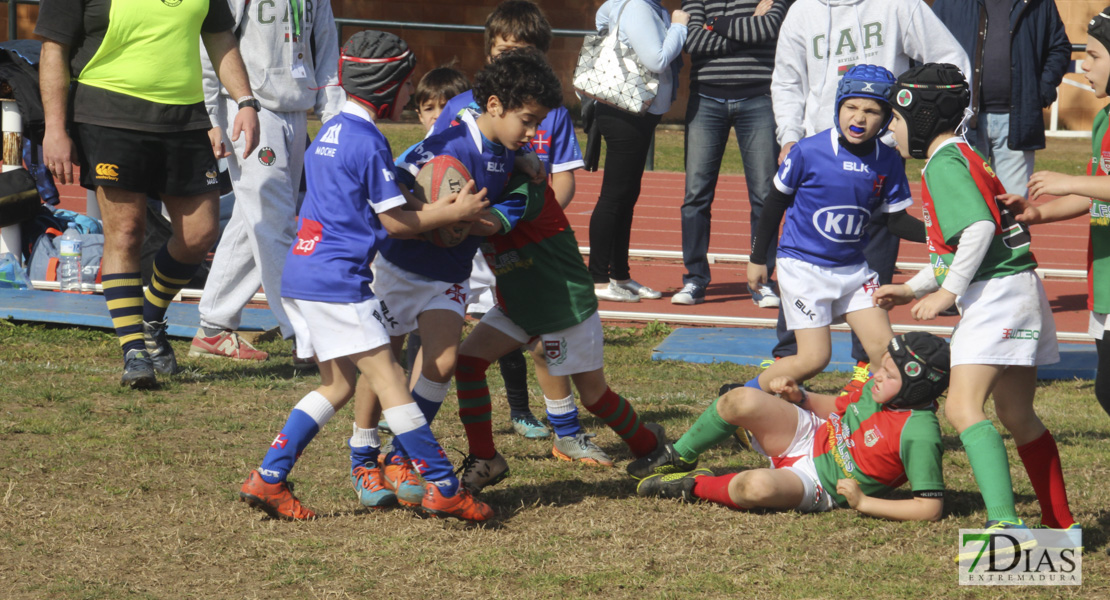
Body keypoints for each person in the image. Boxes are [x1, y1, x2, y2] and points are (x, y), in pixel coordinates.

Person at [238, 31, 493, 522]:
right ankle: (443, 485)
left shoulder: (330, 131)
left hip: (303, 272)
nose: (408, 94)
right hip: (338, 280)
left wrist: (424, 202)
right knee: (391, 379)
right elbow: (394, 222)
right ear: (389, 87)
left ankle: (269, 478)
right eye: (406, 84)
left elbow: (365, 200)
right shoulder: (368, 140)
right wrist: (451, 212)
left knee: (337, 386)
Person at [874, 63, 1077, 544]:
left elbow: (980, 232)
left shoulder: (944, 163)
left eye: (895, 122)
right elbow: (959, 244)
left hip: (997, 297)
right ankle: (1060, 525)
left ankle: (1005, 524)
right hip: (1019, 289)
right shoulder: (967, 153)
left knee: (963, 409)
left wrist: (946, 293)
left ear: (919, 118)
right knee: (1017, 413)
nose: (891, 132)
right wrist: (915, 287)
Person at [352, 48, 562, 507]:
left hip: (450, 273)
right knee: (382, 363)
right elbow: (399, 177)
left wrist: (521, 157)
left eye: (537, 123)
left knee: (443, 362)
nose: (532, 132)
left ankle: (400, 454)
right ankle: (363, 457)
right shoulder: (452, 141)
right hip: (400, 266)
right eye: (526, 121)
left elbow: (515, 178)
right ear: (493, 107)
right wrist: (441, 214)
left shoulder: (507, 147)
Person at [36, 0, 260, 389]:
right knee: (125, 232)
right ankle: (134, 351)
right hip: (107, 113)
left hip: (186, 118)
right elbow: (53, 48)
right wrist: (55, 128)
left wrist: (245, 100)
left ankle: (150, 317)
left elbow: (220, 36)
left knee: (199, 234)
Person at [770, 0, 970, 388]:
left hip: (879, 151)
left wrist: (923, 128)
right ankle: (787, 356)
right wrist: (790, 134)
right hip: (819, 150)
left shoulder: (900, 5)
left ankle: (868, 362)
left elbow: (951, 60)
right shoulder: (803, 10)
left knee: (873, 257)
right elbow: (787, 79)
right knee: (804, 251)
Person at [454, 175, 665, 492]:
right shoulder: (481, 178)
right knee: (468, 363)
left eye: (532, 123)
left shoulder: (524, 184)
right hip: (518, 304)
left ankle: (649, 446)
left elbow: (486, 225)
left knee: (594, 397)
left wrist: (430, 216)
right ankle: (486, 458)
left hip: (562, 305)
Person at [428, 1, 580, 439]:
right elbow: (434, 170)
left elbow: (563, 182)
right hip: (463, 232)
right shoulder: (460, 106)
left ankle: (529, 413)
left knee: (529, 326)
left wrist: (533, 216)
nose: (511, 58)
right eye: (502, 50)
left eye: (523, 51)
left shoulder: (553, 111)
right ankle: (410, 407)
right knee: (438, 321)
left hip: (519, 236)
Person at [630, 332, 948, 522]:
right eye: (883, 367)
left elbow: (929, 508)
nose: (878, 375)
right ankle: (680, 454)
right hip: (811, 433)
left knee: (755, 488)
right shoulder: (880, 389)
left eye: (890, 375)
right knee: (738, 399)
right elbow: (839, 408)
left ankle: (692, 486)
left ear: (915, 390)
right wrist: (801, 397)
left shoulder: (920, 433)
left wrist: (864, 503)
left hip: (817, 485)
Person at [745, 65, 925, 393]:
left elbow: (895, 220)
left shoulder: (888, 160)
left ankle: (867, 424)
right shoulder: (807, 151)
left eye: (872, 111)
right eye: (851, 107)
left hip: (854, 271)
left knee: (887, 357)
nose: (859, 118)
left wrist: (946, 236)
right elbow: (772, 205)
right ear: (838, 107)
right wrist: (758, 258)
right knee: (814, 359)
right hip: (802, 268)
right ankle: (741, 399)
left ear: (886, 118)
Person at [190, 0, 344, 362]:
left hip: (295, 109)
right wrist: (210, 114)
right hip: (249, 110)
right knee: (275, 222)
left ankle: (213, 326)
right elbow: (214, 42)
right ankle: (303, 334)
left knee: (254, 219)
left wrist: (333, 115)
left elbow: (326, 45)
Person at [1001, 9, 1110, 420]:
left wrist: (1068, 181)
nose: (1084, 64)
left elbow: (1089, 187)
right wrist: (1038, 213)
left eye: (1096, 55)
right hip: (1103, 276)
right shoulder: (1105, 118)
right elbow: (1095, 193)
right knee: (1106, 390)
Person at [673, 0, 787, 308]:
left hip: (759, 98)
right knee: (696, 194)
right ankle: (695, 279)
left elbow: (768, 29)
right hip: (705, 98)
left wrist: (715, 24)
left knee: (765, 193)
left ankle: (762, 278)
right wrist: (746, 27)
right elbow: (691, 41)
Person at [590, 0, 688, 303]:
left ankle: (619, 274)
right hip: (624, 111)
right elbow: (657, 60)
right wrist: (680, 26)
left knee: (626, 197)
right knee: (614, 196)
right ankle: (597, 279)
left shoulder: (646, 7)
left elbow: (601, 18)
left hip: (638, 110)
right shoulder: (638, 7)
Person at [931, 0, 1071, 197]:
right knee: (966, 205)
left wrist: (1041, 91)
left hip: (1019, 121)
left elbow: (1059, 47)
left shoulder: (1039, 2)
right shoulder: (949, 3)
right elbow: (928, 48)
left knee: (1013, 209)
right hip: (960, 120)